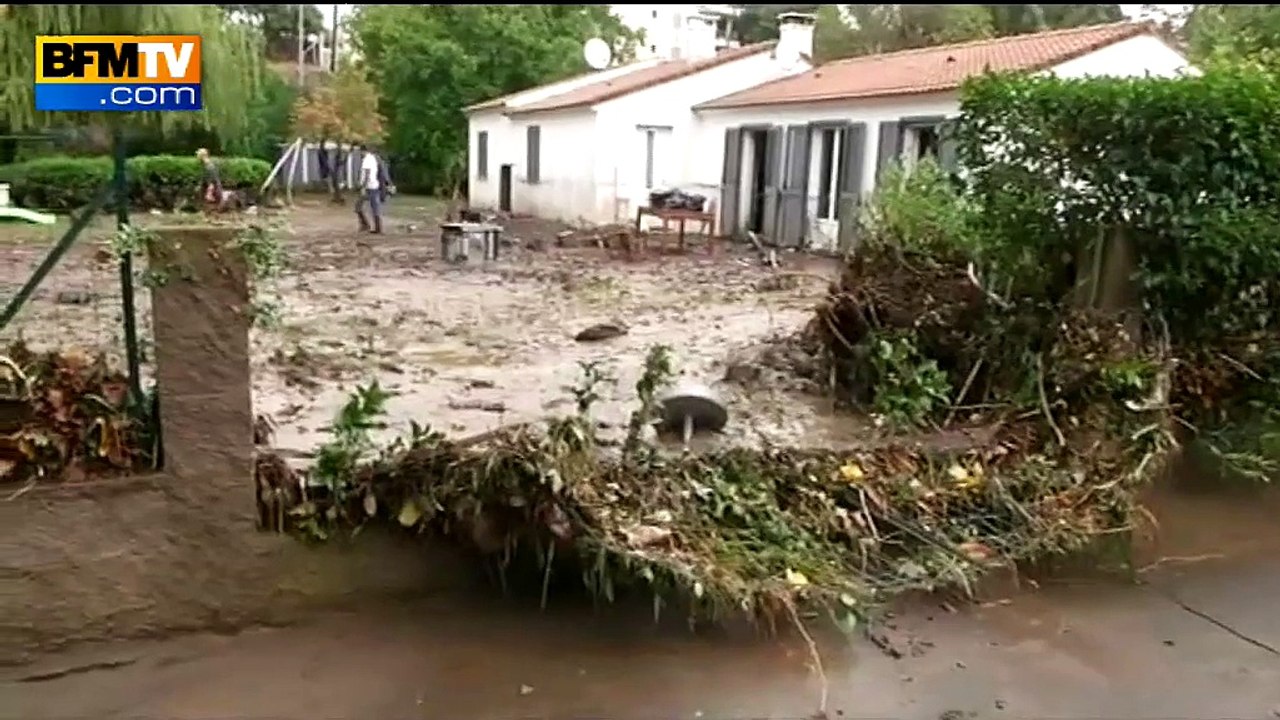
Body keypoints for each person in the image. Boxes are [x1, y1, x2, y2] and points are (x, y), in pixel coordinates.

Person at [353, 143, 384, 234]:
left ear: (363, 151)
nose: (360, 154)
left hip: (369, 187)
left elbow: (367, 174)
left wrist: (363, 187)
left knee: (358, 206)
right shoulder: (372, 158)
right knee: (374, 207)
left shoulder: (367, 160)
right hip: (374, 185)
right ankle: (376, 227)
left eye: (360, 152)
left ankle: (366, 225)